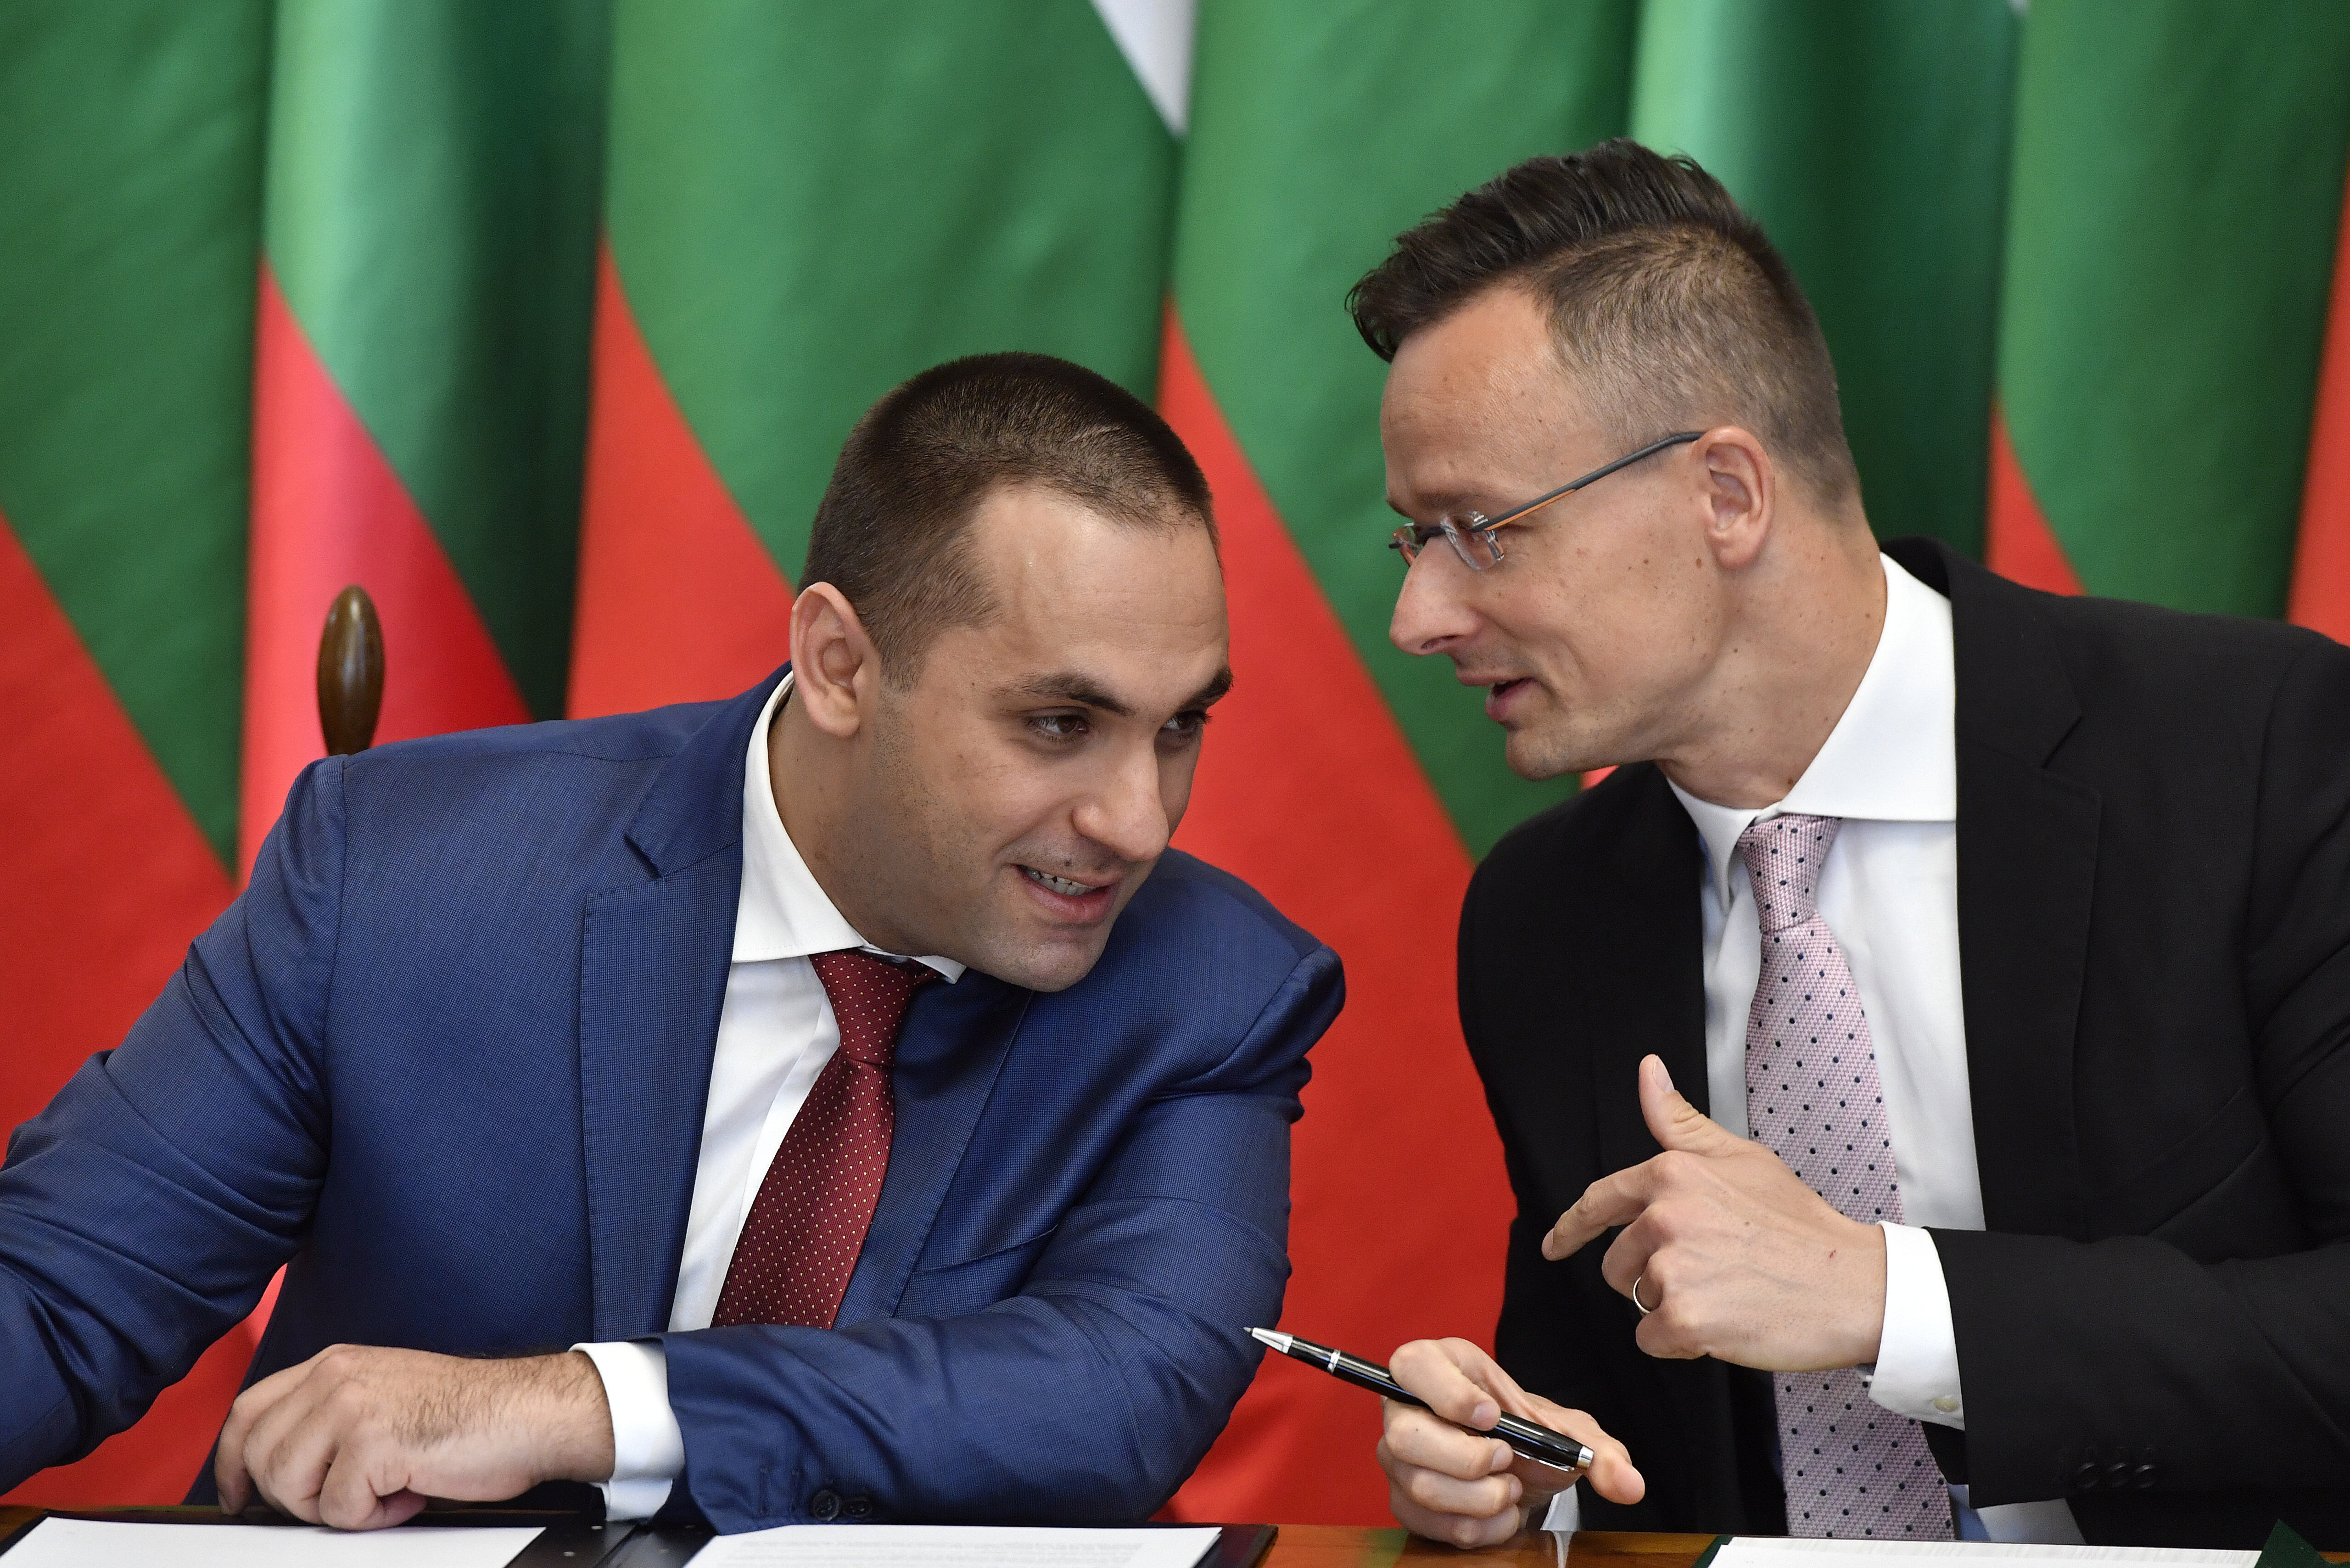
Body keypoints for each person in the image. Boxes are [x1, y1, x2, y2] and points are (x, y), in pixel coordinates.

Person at [0, 353, 1342, 1532]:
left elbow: (1121, 1387)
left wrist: (587, 1405)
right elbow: (60, 1295)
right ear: (840, 665)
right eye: (1060, 724)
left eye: (1180, 726)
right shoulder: (404, 875)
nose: (1136, 821)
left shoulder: (1209, 989)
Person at [1354, 141, 2350, 1549]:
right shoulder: (1543, 914)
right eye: (1415, 542)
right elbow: (1621, 1420)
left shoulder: (2255, 752)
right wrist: (1527, 1474)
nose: (1420, 620)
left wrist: (1891, 1301)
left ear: (1726, 494)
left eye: (1480, 531)